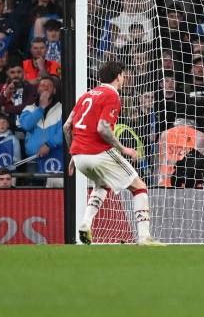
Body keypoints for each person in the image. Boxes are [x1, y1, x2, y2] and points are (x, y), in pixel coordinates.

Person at [63, 61, 163, 245]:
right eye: (123, 75)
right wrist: (123, 148)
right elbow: (103, 128)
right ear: (118, 77)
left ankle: (86, 223)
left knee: (102, 184)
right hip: (97, 153)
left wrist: (72, 153)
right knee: (139, 186)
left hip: (79, 156)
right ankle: (144, 237)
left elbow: (67, 126)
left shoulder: (86, 96)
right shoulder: (112, 95)